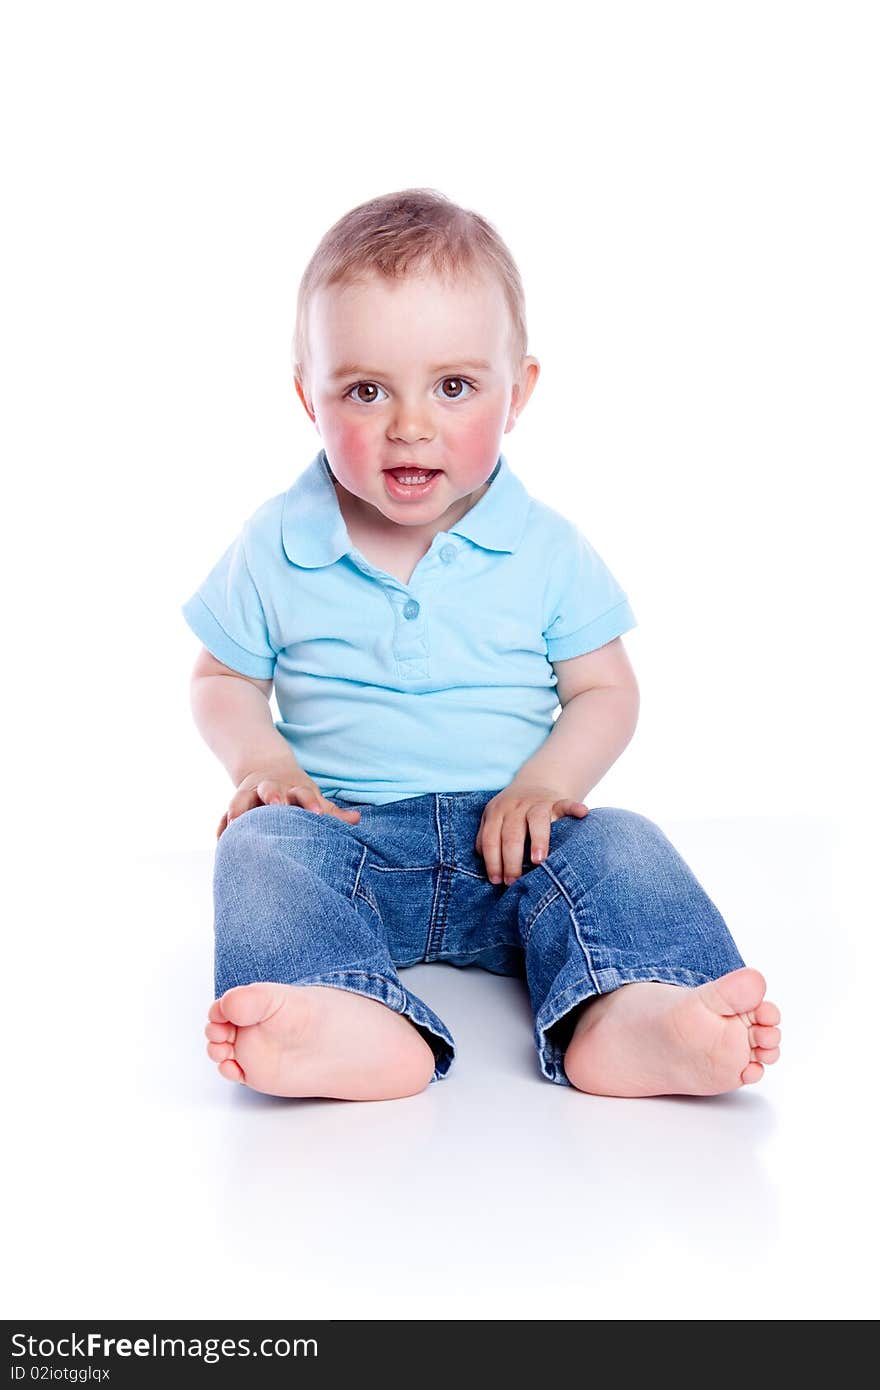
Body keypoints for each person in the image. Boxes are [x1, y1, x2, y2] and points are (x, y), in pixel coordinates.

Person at [182, 187, 782, 1101]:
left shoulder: (545, 547)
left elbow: (605, 692)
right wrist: (260, 762)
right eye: (366, 389)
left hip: (514, 845)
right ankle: (341, 1013)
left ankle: (641, 1010)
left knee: (621, 842)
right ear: (308, 396)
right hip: (345, 838)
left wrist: (550, 785)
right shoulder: (275, 542)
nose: (410, 424)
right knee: (258, 845)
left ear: (519, 393)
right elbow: (220, 676)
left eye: (453, 386)